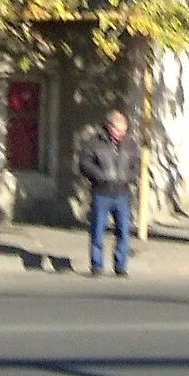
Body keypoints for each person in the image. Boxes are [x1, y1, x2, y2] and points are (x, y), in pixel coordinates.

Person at [78, 109, 140, 277]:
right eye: (119, 129)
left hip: (122, 193)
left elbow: (136, 164)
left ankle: (120, 266)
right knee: (98, 230)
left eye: (124, 130)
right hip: (101, 192)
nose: (122, 133)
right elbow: (85, 163)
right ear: (109, 127)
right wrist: (100, 176)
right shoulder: (94, 143)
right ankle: (96, 265)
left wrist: (129, 177)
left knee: (123, 231)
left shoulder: (130, 144)